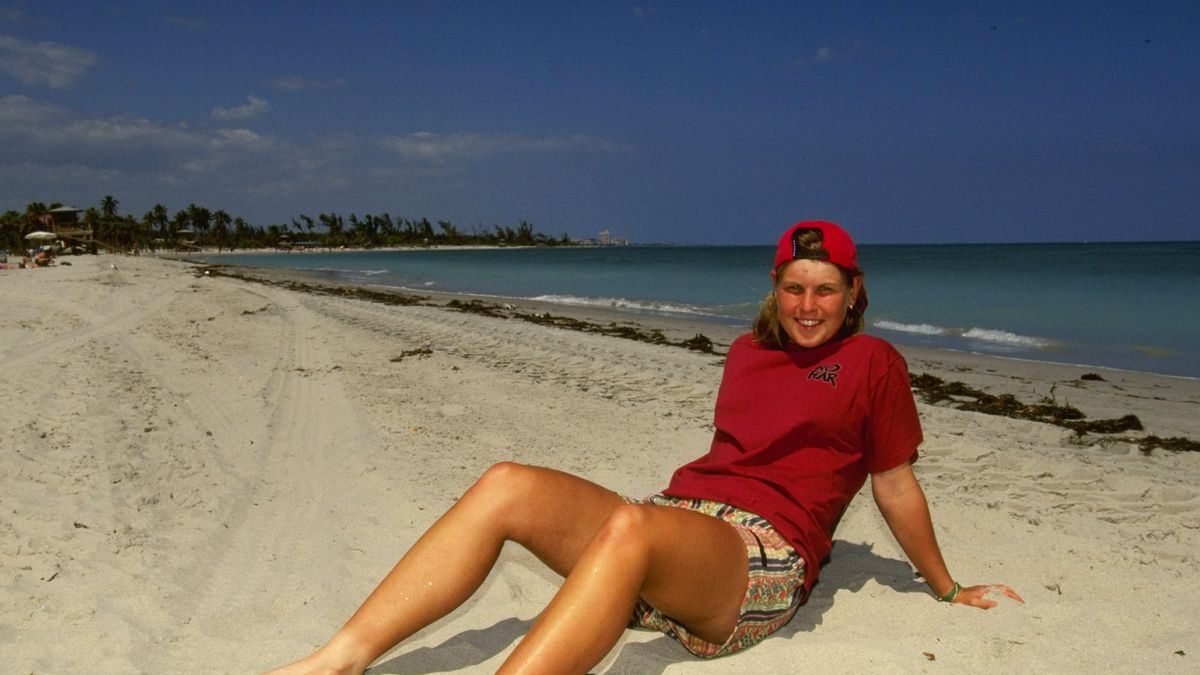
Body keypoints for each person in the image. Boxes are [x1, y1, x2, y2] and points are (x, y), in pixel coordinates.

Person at [268, 221, 1022, 675]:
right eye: (794, 288)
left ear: (855, 291)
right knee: (506, 482)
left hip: (757, 561)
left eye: (826, 290)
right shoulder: (745, 352)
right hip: (668, 532)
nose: (808, 306)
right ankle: (341, 656)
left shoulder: (873, 363)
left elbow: (892, 482)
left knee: (633, 525)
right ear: (774, 287)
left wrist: (949, 588)